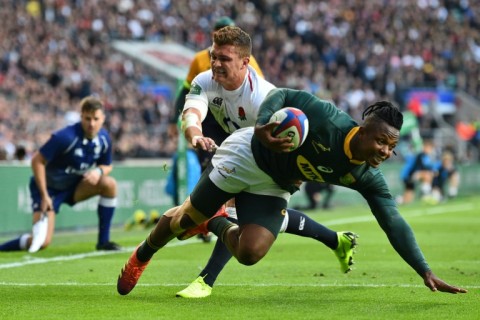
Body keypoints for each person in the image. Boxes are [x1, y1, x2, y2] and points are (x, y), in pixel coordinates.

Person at [117, 88, 467, 296]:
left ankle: (218, 221)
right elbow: (281, 94)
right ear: (362, 131)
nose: (385, 152)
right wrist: (262, 125)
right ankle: (142, 255)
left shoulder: (367, 178)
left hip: (275, 185)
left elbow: (392, 220)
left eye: (391, 146)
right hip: (248, 154)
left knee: (250, 253)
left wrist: (424, 270)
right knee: (183, 220)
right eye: (381, 141)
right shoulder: (326, 118)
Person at [173, 26, 357, 298]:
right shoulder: (207, 79)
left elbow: (292, 139)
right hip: (240, 148)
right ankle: (336, 240)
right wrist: (196, 133)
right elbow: (192, 112)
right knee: (258, 219)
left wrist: (298, 171)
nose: (216, 63)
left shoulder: (263, 98)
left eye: (223, 58)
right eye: (214, 56)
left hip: (273, 162)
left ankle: (205, 281)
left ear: (243, 61)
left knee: (236, 216)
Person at [0, 96, 120, 252]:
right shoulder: (65, 137)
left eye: (96, 119)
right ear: (81, 117)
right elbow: (37, 161)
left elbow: (107, 165)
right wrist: (44, 195)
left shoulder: (104, 139)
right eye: (87, 118)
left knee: (109, 184)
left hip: (74, 187)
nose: (91, 123)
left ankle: (104, 242)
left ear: (103, 119)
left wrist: (99, 171)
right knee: (41, 242)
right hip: (48, 190)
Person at [398, 139, 436, 204]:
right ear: (424, 147)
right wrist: (432, 171)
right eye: (429, 148)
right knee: (427, 175)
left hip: (412, 176)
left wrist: (432, 170)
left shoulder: (425, 156)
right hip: (409, 176)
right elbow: (423, 167)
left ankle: (396, 200)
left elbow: (427, 166)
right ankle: (425, 194)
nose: (430, 150)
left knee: (408, 200)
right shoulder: (420, 155)